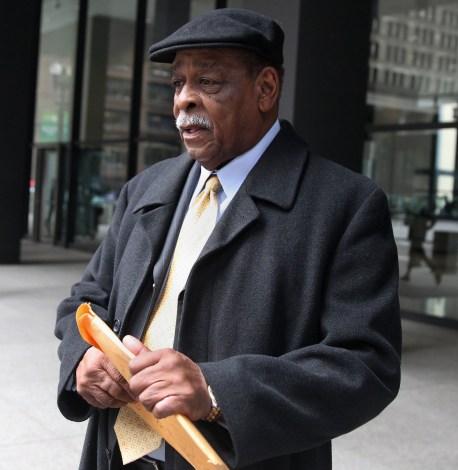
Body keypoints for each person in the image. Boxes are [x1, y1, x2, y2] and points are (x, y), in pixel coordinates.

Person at [54, 8, 401, 470]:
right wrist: (82, 360)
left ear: (266, 89)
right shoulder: (145, 188)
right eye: (178, 84)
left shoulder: (345, 205)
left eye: (209, 83)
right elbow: (85, 298)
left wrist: (215, 391)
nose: (184, 101)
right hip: (117, 456)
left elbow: (366, 366)